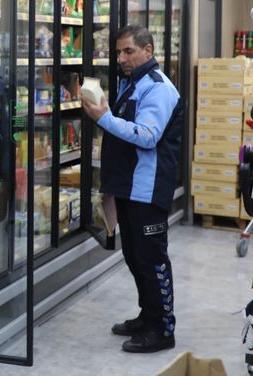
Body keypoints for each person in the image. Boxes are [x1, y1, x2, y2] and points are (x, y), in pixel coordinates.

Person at [82, 24, 183, 354]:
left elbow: (148, 135)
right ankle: (147, 315)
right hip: (127, 187)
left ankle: (163, 329)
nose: (122, 57)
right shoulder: (131, 83)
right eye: (119, 51)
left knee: (152, 259)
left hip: (147, 189)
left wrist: (104, 117)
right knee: (134, 256)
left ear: (148, 51)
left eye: (129, 51)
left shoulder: (158, 88)